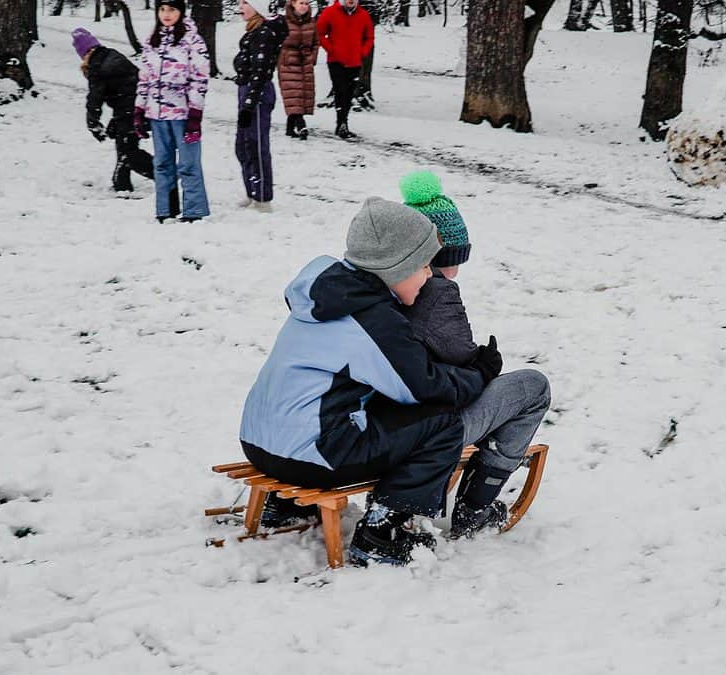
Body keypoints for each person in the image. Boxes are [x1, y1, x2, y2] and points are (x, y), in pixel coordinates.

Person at [239, 197, 502, 566]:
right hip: (313, 457)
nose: (429, 276)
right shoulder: (371, 318)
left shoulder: (328, 297)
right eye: (424, 265)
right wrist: (481, 372)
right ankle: (385, 531)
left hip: (258, 440)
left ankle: (283, 506)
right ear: (397, 266)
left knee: (360, 408)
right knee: (441, 425)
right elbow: (423, 388)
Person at [397, 170, 551, 538]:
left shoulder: (379, 283)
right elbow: (463, 363)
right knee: (532, 387)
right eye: (456, 258)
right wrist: (485, 362)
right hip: (427, 427)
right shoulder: (436, 293)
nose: (458, 268)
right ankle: (476, 505)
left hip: (384, 417)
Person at [134, 0, 211, 223]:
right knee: (162, 163)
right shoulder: (152, 41)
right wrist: (139, 109)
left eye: (172, 9)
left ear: (181, 12)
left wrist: (195, 114)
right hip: (156, 113)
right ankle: (165, 209)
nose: (166, 14)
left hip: (183, 113)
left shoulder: (193, 41)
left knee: (188, 164)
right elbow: (144, 78)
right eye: (162, 9)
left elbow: (200, 78)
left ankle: (194, 210)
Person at [72, 28, 155, 193]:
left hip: (130, 109)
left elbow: (95, 98)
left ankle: (164, 173)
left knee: (128, 151)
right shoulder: (112, 55)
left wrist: (93, 122)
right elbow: (127, 84)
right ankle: (121, 184)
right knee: (124, 143)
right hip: (141, 105)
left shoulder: (97, 65)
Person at [234, 0, 288, 212]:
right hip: (247, 91)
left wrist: (249, 104)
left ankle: (263, 197)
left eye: (245, 3)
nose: (240, 7)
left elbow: (261, 72)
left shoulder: (263, 34)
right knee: (243, 146)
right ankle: (252, 190)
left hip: (256, 94)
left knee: (256, 145)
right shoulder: (253, 32)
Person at [316, 0, 372, 139]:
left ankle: (343, 122)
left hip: (355, 62)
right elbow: (320, 33)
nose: (350, 0)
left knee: (348, 93)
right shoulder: (330, 12)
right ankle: (341, 123)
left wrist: (362, 52)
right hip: (336, 61)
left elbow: (369, 37)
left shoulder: (363, 15)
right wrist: (331, 49)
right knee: (340, 90)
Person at [278, 0, 318, 140]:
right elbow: (277, 41)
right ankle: (301, 124)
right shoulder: (283, 22)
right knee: (293, 94)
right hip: (288, 62)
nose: (304, 6)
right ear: (293, 4)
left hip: (305, 61)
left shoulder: (311, 22)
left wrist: (312, 57)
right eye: (301, 3)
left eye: (307, 3)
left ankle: (290, 128)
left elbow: (315, 42)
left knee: (300, 95)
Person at [190, 0, 224, 78]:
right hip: (201, 10)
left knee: (208, 41)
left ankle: (209, 68)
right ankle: (204, 67)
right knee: (199, 41)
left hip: (209, 11)